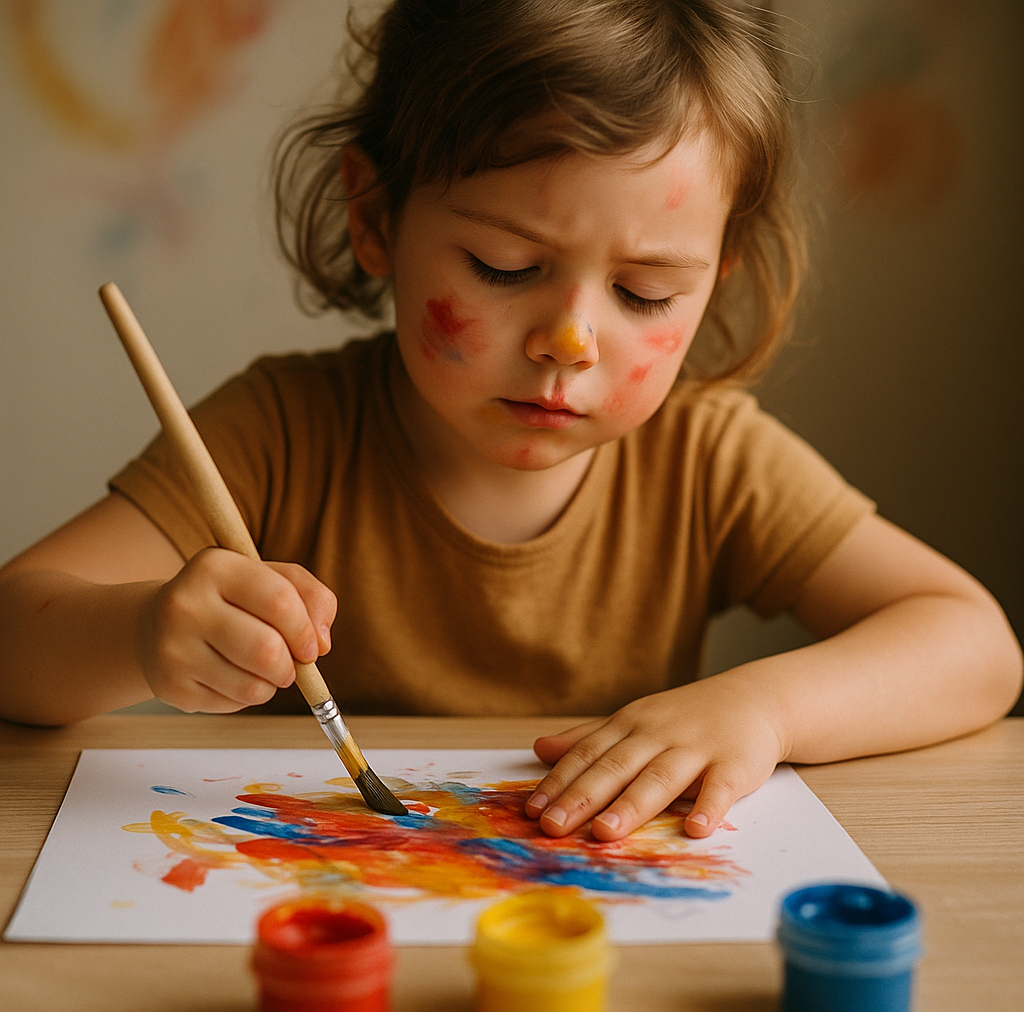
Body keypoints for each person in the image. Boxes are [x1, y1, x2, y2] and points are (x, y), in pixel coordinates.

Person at [0, 0, 1019, 844]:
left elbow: (974, 644)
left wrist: (763, 708)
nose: (570, 340)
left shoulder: (709, 458)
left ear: (720, 276)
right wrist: (142, 634)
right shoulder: (282, 431)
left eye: (649, 291)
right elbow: (12, 634)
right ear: (375, 216)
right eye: (506, 269)